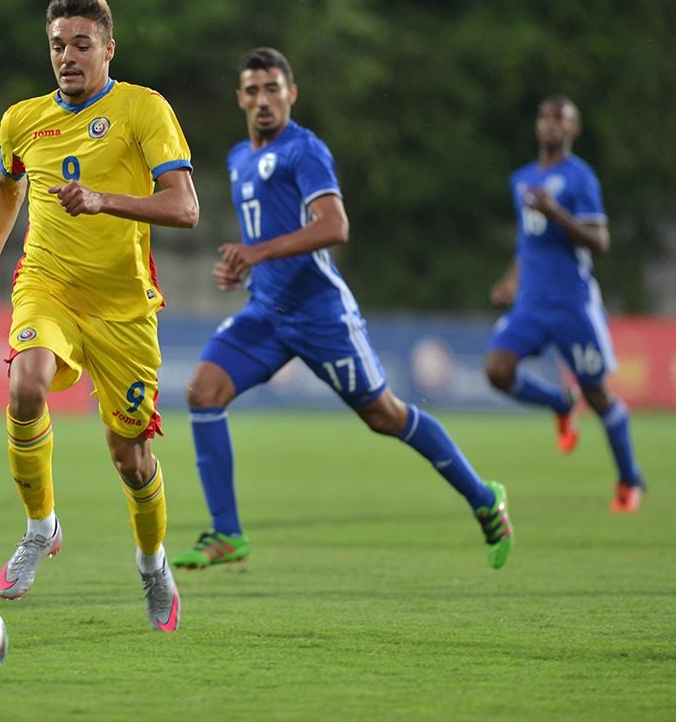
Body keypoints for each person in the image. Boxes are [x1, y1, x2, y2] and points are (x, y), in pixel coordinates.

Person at [171, 47, 514, 572]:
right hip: (266, 313)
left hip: (320, 314)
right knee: (203, 391)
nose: (263, 100)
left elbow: (335, 226)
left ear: (291, 93)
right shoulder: (240, 158)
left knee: (385, 415)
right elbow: (267, 234)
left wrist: (257, 252)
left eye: (273, 89)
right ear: (240, 97)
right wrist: (244, 267)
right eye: (253, 90)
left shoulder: (305, 150)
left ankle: (484, 498)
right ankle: (227, 533)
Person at [0, 0, 199, 632]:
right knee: (26, 384)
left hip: (123, 307)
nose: (66, 57)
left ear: (108, 49)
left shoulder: (143, 108)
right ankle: (40, 526)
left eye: (80, 44)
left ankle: (152, 564)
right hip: (48, 284)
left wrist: (103, 200)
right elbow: (7, 188)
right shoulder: (22, 120)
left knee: (131, 458)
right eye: (57, 46)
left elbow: (185, 208)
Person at [484, 96, 644, 513]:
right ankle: (560, 403)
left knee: (598, 395)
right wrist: (511, 278)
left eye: (561, 118)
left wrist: (558, 214)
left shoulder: (580, 178)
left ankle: (630, 479)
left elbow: (600, 241)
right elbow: (528, 239)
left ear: (573, 129)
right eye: (545, 117)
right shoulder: (522, 178)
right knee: (497, 370)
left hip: (573, 304)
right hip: (531, 304)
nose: (551, 124)